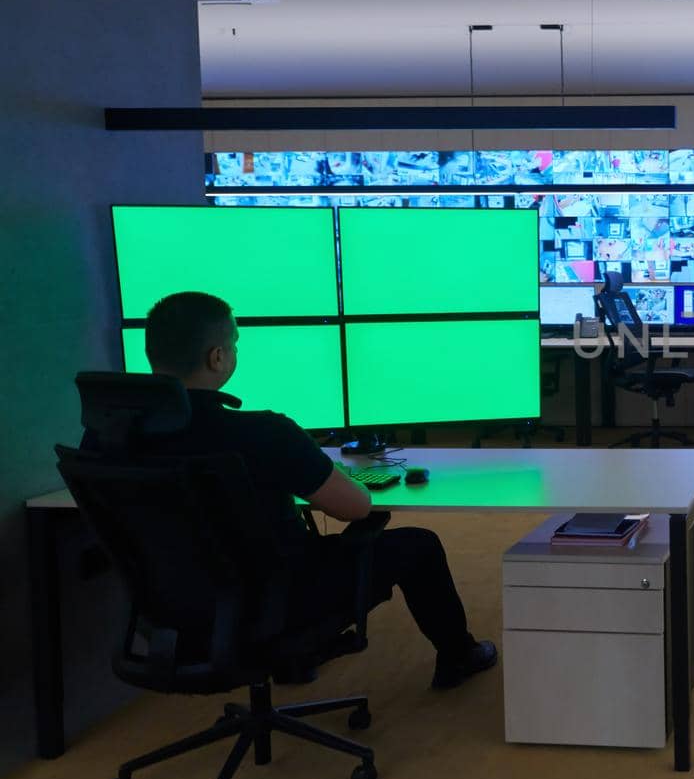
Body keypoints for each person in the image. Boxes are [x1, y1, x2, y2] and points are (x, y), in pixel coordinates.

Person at [108, 291, 497, 690]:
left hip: (169, 610)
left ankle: (296, 655)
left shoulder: (110, 438)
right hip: (274, 602)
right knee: (420, 545)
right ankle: (458, 656)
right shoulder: (263, 433)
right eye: (234, 345)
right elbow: (355, 508)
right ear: (217, 357)